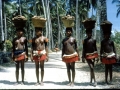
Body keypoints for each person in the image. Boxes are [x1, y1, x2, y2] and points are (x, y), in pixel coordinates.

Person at [82, 18, 98, 87]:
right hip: (87, 55)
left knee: (92, 68)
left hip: (93, 55)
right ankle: (95, 81)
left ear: (91, 33)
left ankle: (91, 81)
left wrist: (97, 56)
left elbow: (95, 48)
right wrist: (83, 57)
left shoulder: (94, 40)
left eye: (90, 33)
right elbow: (84, 48)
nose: (89, 34)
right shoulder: (85, 40)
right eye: (88, 33)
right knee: (91, 67)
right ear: (86, 33)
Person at [100, 20, 117, 85]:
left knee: (110, 68)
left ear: (109, 35)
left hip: (111, 55)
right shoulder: (103, 42)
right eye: (105, 35)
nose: (107, 36)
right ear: (104, 35)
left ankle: (111, 80)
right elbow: (101, 49)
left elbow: (114, 49)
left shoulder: (111, 41)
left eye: (108, 34)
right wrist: (101, 56)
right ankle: (106, 81)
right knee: (106, 68)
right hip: (105, 55)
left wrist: (116, 55)